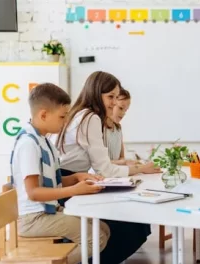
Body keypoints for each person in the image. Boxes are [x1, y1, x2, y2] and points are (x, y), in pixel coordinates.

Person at [54, 71, 157, 263]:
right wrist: (141, 169)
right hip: (70, 186)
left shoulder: (80, 113)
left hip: (68, 181)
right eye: (110, 97)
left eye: (116, 97)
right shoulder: (91, 118)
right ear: (95, 93)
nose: (113, 103)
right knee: (132, 226)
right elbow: (105, 169)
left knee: (133, 222)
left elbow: (104, 165)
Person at [11, 83, 110, 264]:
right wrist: (75, 190)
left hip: (47, 211)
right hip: (34, 218)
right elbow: (34, 193)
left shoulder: (43, 140)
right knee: (96, 238)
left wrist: (75, 178)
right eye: (62, 117)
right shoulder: (29, 145)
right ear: (43, 115)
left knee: (103, 228)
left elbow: (51, 182)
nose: (65, 122)